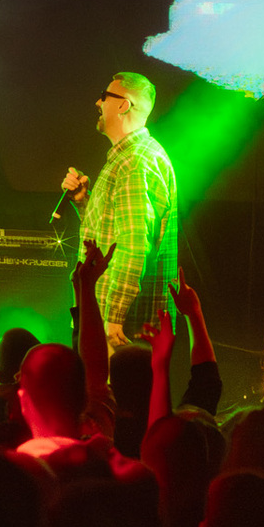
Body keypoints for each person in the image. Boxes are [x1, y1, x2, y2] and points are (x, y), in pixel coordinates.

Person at [60, 71, 178, 340]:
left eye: (104, 96)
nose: (98, 103)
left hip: (118, 328)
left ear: (124, 105)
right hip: (108, 320)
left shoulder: (134, 161)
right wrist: (83, 201)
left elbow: (134, 244)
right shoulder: (128, 157)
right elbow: (111, 233)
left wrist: (114, 319)